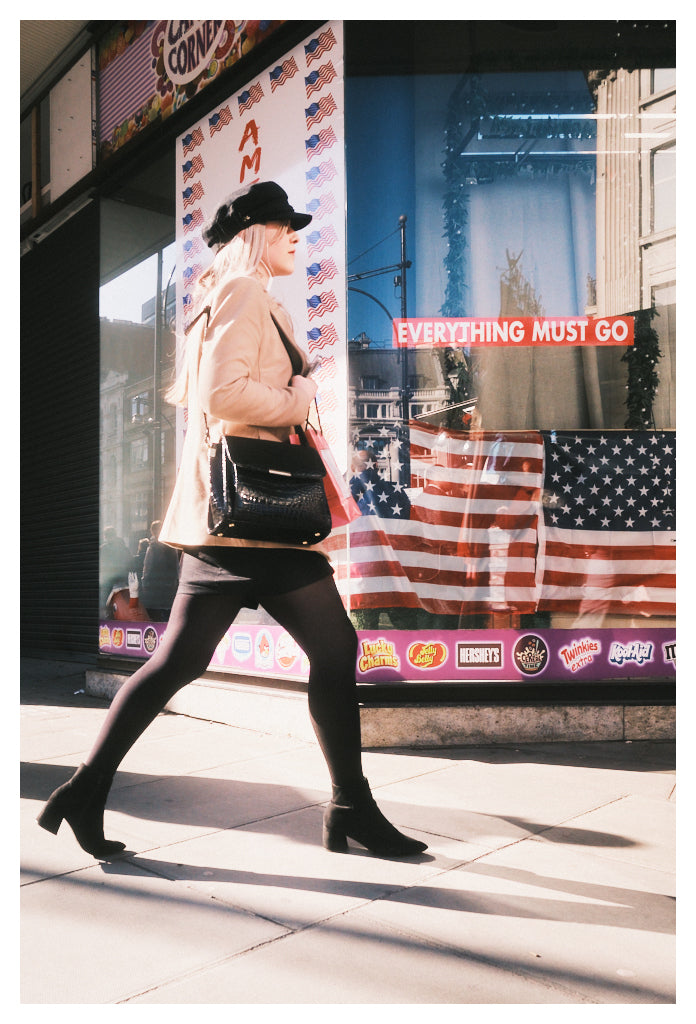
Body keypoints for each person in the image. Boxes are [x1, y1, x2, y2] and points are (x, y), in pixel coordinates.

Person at [38, 181, 427, 861]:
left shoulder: (226, 295)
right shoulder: (244, 292)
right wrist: (301, 393)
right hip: (256, 519)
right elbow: (224, 395)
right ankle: (350, 809)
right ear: (255, 232)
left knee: (175, 663)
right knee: (334, 652)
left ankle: (83, 790)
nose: (294, 240)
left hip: (227, 524)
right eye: (285, 230)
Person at [141, 521, 180, 620]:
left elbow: (147, 568)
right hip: (169, 587)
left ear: (152, 531)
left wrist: (144, 583)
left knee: (154, 616)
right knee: (168, 615)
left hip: (154, 588)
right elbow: (177, 567)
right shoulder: (172, 546)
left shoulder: (153, 547)